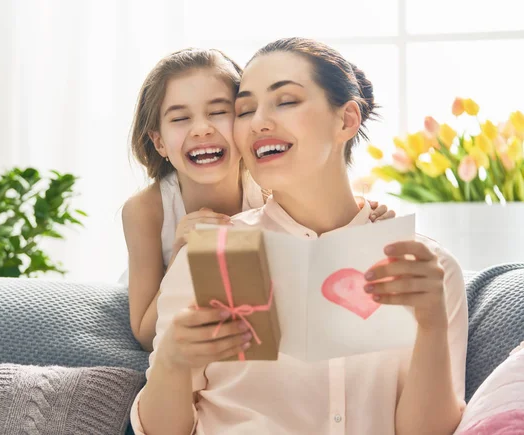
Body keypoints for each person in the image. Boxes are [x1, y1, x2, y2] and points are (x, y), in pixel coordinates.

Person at [130, 38, 468, 435]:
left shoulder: (426, 269)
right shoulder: (214, 253)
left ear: (346, 120)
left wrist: (431, 327)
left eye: (286, 101)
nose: (258, 122)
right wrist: (172, 360)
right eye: (245, 110)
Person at [122, 48, 395, 352]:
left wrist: (361, 224)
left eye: (219, 112)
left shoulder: (269, 189)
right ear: (158, 141)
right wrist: (181, 256)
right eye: (181, 118)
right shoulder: (147, 210)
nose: (202, 129)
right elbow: (147, 335)